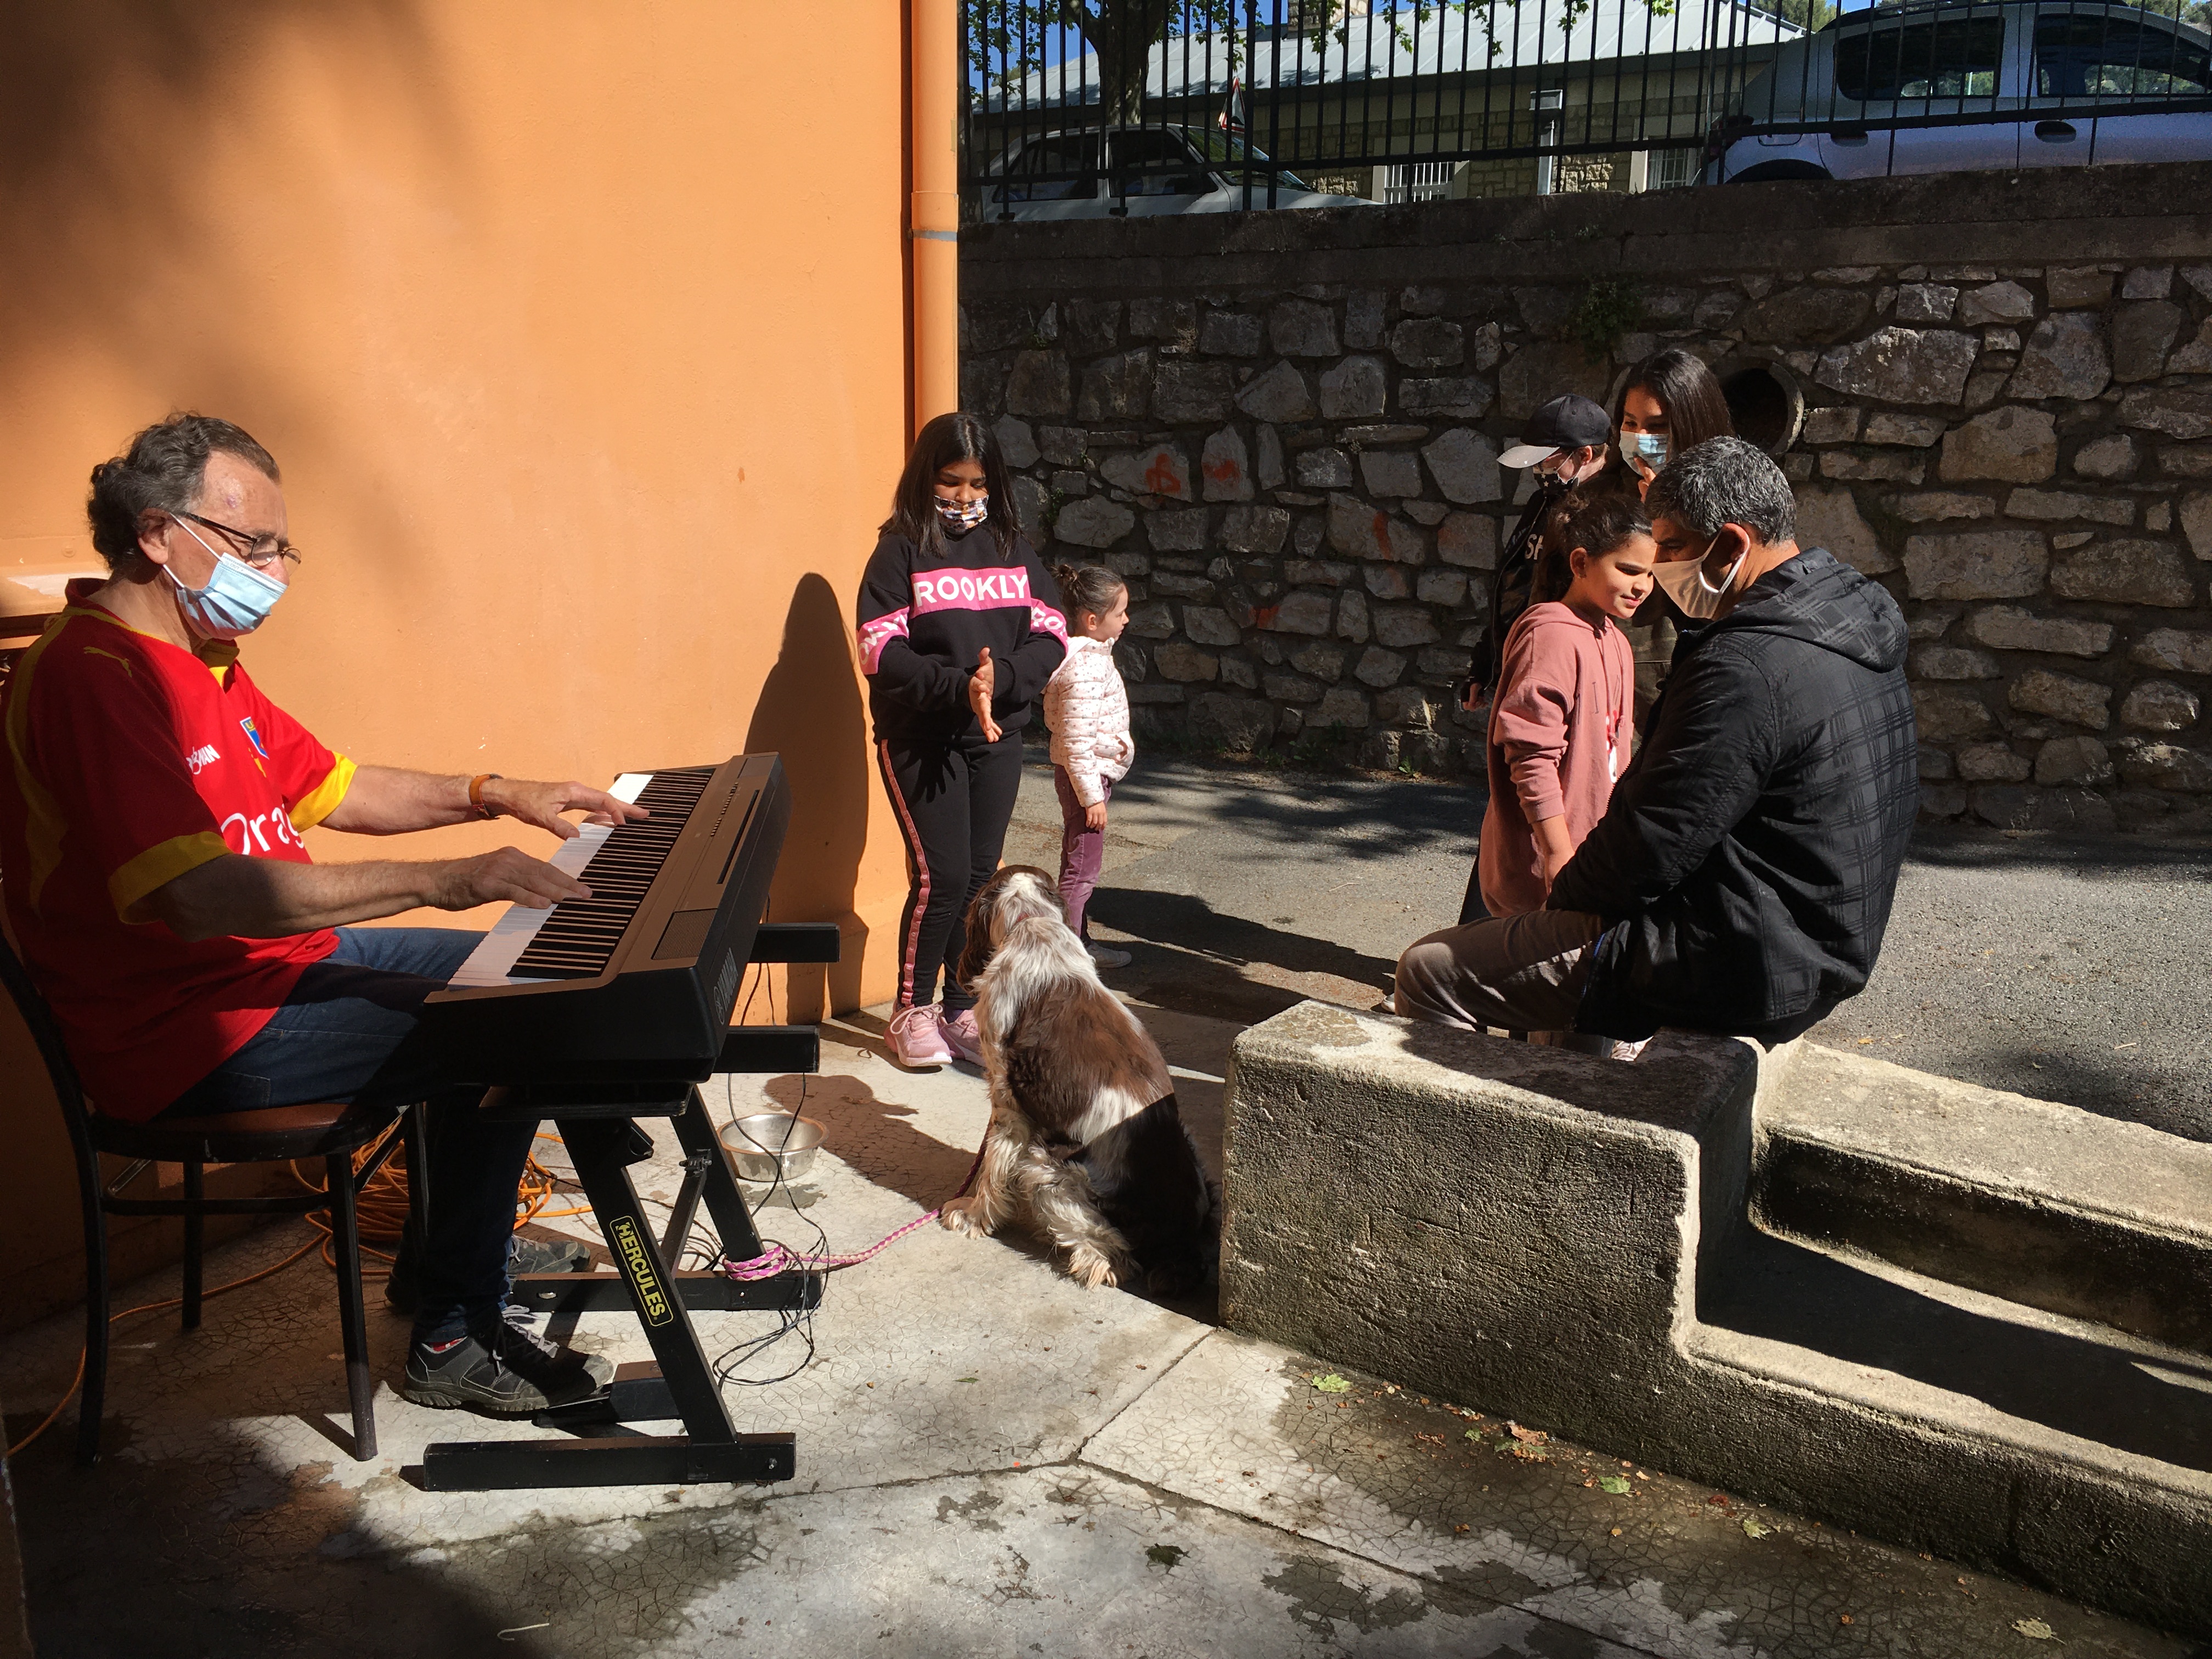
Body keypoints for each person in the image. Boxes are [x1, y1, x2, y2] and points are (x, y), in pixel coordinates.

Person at [0, 413, 644, 1414]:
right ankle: (452, 1328)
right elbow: (201, 895)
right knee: (497, 1030)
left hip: (271, 968)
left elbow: (338, 788)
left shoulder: (206, 659)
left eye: (280, 548)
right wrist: (450, 875)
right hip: (185, 1029)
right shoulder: (95, 676)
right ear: (156, 533)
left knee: (513, 980)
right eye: (251, 545)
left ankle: (444, 1254)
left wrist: (496, 789)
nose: (275, 572)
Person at [1396, 437, 1918, 1054]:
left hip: (1739, 956)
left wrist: (1558, 908)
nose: (1660, 574)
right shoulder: (1852, 622)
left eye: (1669, 549)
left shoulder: (1748, 664)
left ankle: (1490, 1143)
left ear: (1730, 546)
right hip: (1818, 943)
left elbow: (1650, 841)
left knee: (1429, 970)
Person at [857, 411, 1066, 1070]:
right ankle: (910, 1011)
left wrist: (1001, 679)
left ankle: (958, 1006)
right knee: (939, 877)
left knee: (980, 881)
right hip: (922, 739)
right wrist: (958, 689)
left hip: (997, 738)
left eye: (978, 485)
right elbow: (877, 648)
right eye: (951, 483)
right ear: (926, 479)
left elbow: (1054, 633)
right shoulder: (898, 552)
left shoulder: (1012, 547)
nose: (966, 499)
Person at [1453, 393, 1612, 925]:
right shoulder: (1547, 500)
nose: (1540, 469)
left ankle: (1487, 953)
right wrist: (1486, 663)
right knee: (1508, 819)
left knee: (1538, 819)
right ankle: (1479, 949)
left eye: (1550, 458)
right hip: (1521, 671)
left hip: (1565, 685)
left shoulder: (1612, 515)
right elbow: (1514, 588)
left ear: (1586, 455)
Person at [1476, 490, 1652, 925]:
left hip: (1588, 866)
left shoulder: (1617, 641)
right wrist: (1557, 854)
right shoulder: (1551, 635)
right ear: (1580, 563)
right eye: (1628, 570)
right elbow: (1531, 757)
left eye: (1651, 573)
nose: (1642, 586)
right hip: (1547, 872)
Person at [1596, 348, 1738, 723]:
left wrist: (1675, 518)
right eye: (1630, 422)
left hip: (1679, 683)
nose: (1640, 438)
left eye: (1657, 427)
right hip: (1602, 675)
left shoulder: (1736, 498)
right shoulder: (1601, 494)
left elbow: (1715, 601)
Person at [1042, 562, 1134, 970]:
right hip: (1087, 779)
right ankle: (1067, 957)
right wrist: (1092, 797)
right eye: (1120, 613)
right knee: (1082, 871)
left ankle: (1077, 940)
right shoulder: (1085, 668)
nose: (1127, 620)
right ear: (1093, 620)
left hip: (1088, 777)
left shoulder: (1090, 656)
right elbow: (1076, 743)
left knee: (1077, 864)